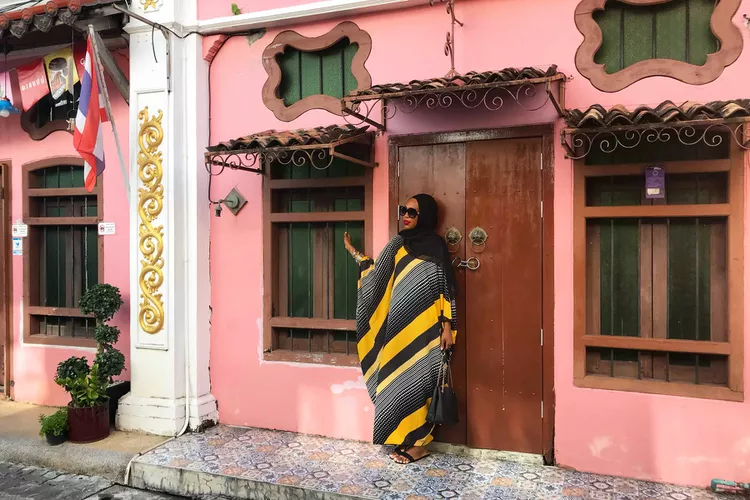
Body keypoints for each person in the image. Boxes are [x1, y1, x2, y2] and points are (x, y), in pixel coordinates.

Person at [343, 193, 458, 465]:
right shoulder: (397, 244)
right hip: (397, 331)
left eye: (413, 212)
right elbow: (376, 275)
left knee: (422, 383)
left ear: (425, 215)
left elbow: (445, 288)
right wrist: (354, 253)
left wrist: (447, 327)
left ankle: (419, 445)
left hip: (427, 330)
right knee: (397, 381)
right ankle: (401, 438)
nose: (406, 216)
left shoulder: (436, 247)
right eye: (404, 210)